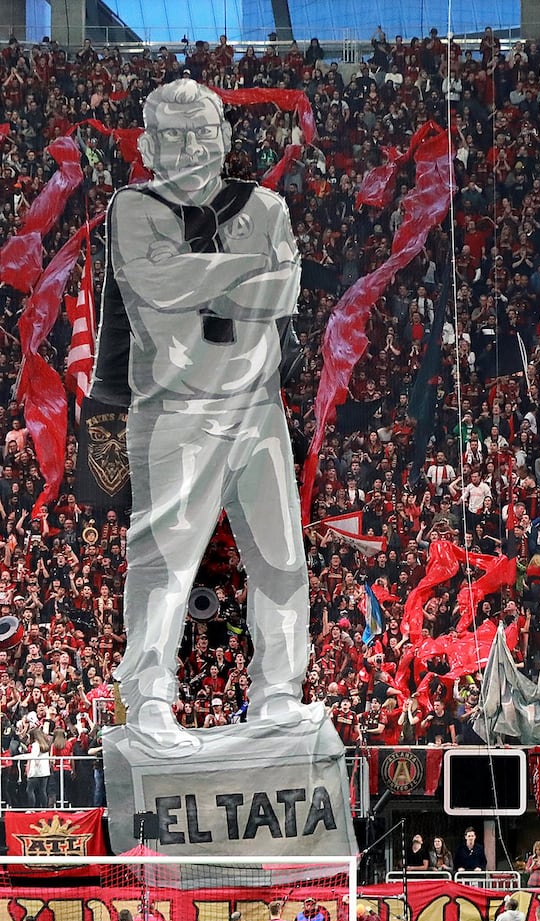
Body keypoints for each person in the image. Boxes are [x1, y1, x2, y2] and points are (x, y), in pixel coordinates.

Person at [89, 78, 313, 753]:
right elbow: (158, 288)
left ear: (223, 137)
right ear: (149, 147)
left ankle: (277, 696)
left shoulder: (267, 205)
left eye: (200, 132)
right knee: (162, 564)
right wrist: (246, 269)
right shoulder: (132, 206)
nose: (189, 147)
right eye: (174, 135)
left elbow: (287, 290)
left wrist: (204, 275)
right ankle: (150, 701)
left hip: (258, 406)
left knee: (279, 558)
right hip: (175, 411)